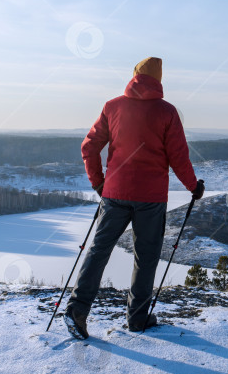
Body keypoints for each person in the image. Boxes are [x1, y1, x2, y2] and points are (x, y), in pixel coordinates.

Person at [64, 56, 204, 339]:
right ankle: (137, 319)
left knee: (98, 251)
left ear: (134, 76)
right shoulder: (167, 113)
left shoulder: (112, 107)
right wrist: (193, 187)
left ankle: (77, 311)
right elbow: (178, 157)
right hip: (151, 199)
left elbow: (89, 148)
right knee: (146, 257)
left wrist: (99, 184)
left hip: (114, 194)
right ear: (159, 79)